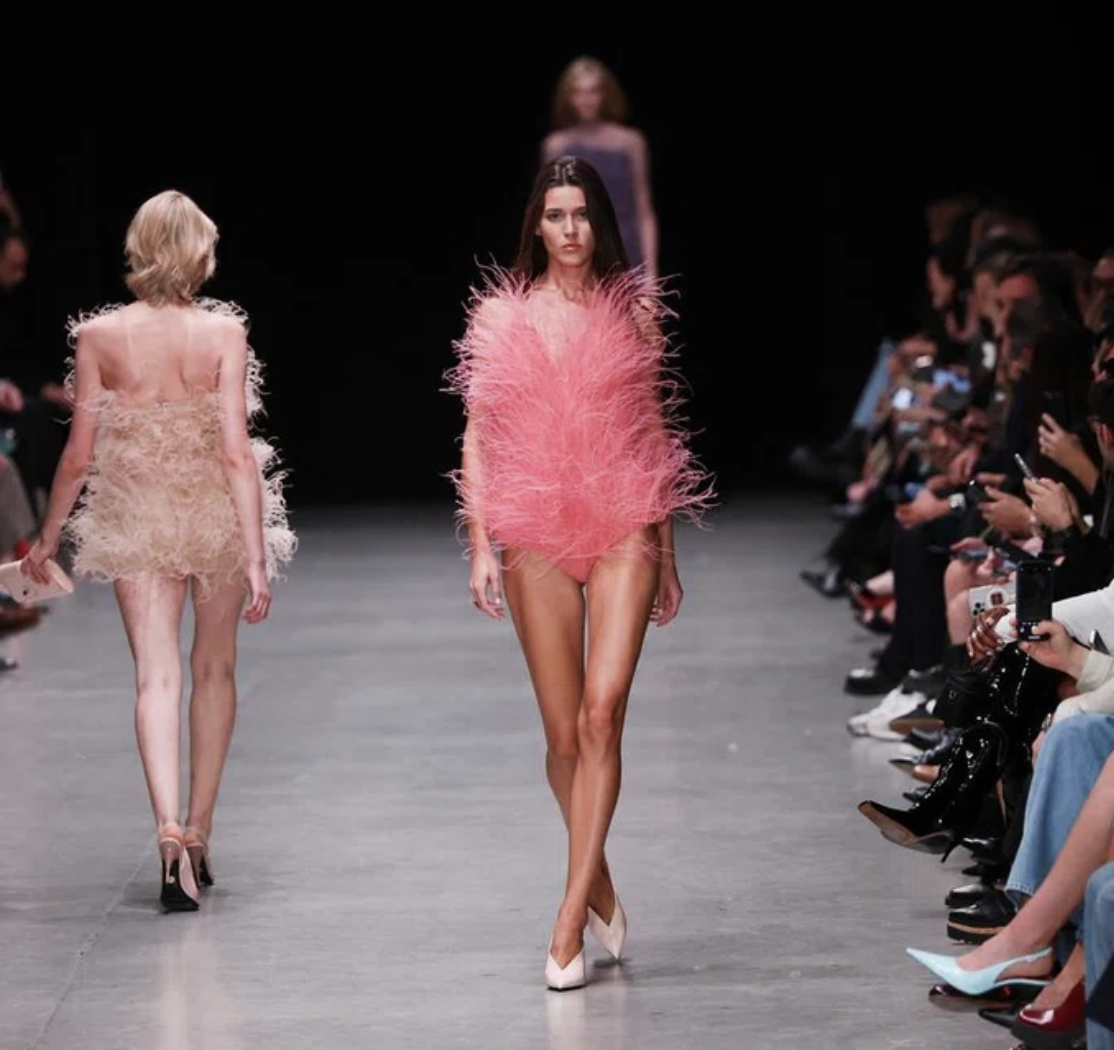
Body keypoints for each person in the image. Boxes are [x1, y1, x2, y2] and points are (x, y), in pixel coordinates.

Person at [447, 156, 713, 989]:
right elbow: (478, 432)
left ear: (601, 222)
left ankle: (567, 919)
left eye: (583, 215)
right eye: (556, 215)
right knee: (563, 736)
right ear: (536, 223)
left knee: (603, 715)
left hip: (624, 516)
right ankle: (596, 879)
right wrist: (481, 544)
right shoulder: (500, 314)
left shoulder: (633, 311)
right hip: (534, 527)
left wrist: (669, 555)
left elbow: (654, 429)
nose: (570, 229)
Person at [22, 190, 296, 913]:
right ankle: (200, 831)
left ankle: (168, 830)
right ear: (199, 253)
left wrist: (48, 535)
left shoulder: (100, 336)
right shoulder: (224, 332)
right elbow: (236, 452)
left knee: (156, 678)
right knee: (215, 669)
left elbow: (78, 454)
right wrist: (255, 552)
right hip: (212, 513)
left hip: (136, 512)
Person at [541, 56, 659, 279]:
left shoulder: (631, 143)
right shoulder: (556, 146)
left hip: (626, 247)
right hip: (578, 246)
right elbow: (550, 212)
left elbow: (644, 211)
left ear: (605, 94)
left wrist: (652, 271)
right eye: (578, 92)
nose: (586, 100)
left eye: (593, 91)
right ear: (568, 97)